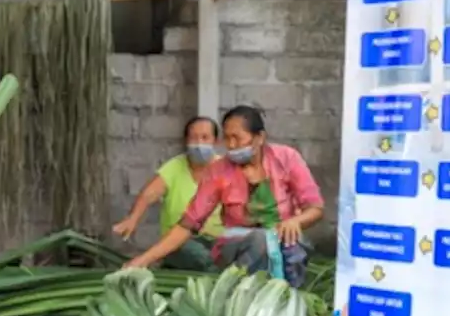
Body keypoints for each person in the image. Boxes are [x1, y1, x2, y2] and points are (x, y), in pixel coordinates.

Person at [125, 106, 324, 286]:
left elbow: (315, 208)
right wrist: (143, 260)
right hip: (237, 245)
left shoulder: (287, 158)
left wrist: (296, 221)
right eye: (227, 138)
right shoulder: (218, 172)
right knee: (260, 240)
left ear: (259, 137)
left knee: (290, 247)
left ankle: (287, 297)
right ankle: (245, 295)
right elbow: (188, 224)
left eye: (237, 137)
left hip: (283, 241)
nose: (231, 145)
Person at [112, 116, 224, 271]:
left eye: (205, 138)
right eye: (193, 138)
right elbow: (148, 194)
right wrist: (132, 219)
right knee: (199, 256)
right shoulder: (175, 168)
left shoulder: (227, 171)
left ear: (216, 141)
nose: (199, 144)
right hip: (179, 244)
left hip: (217, 241)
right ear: (186, 142)